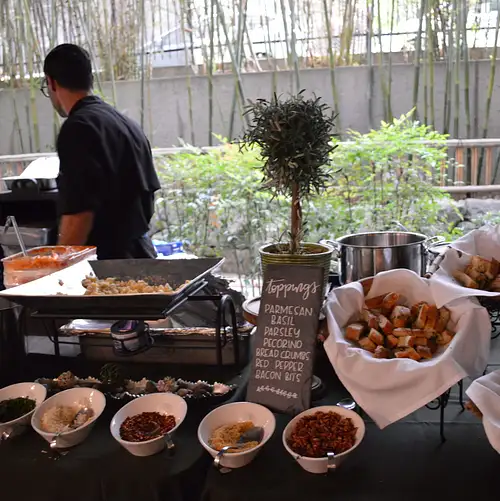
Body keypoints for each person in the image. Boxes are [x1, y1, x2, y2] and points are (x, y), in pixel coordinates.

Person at [42, 43, 160, 259]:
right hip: (141, 254)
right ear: (90, 78)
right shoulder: (125, 123)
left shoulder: (78, 128)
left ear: (51, 82)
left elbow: (79, 214)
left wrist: (59, 266)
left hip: (107, 264)